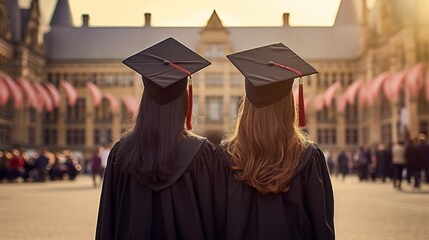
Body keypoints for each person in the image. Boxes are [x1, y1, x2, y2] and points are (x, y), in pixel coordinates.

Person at [96, 38, 216, 239]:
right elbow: (214, 222)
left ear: (145, 100)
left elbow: (107, 221)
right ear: (185, 100)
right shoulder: (203, 154)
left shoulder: (121, 153)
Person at [214, 43, 334, 239]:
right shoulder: (308, 157)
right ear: (289, 105)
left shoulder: (224, 158)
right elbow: (322, 227)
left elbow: (215, 225)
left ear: (247, 107)